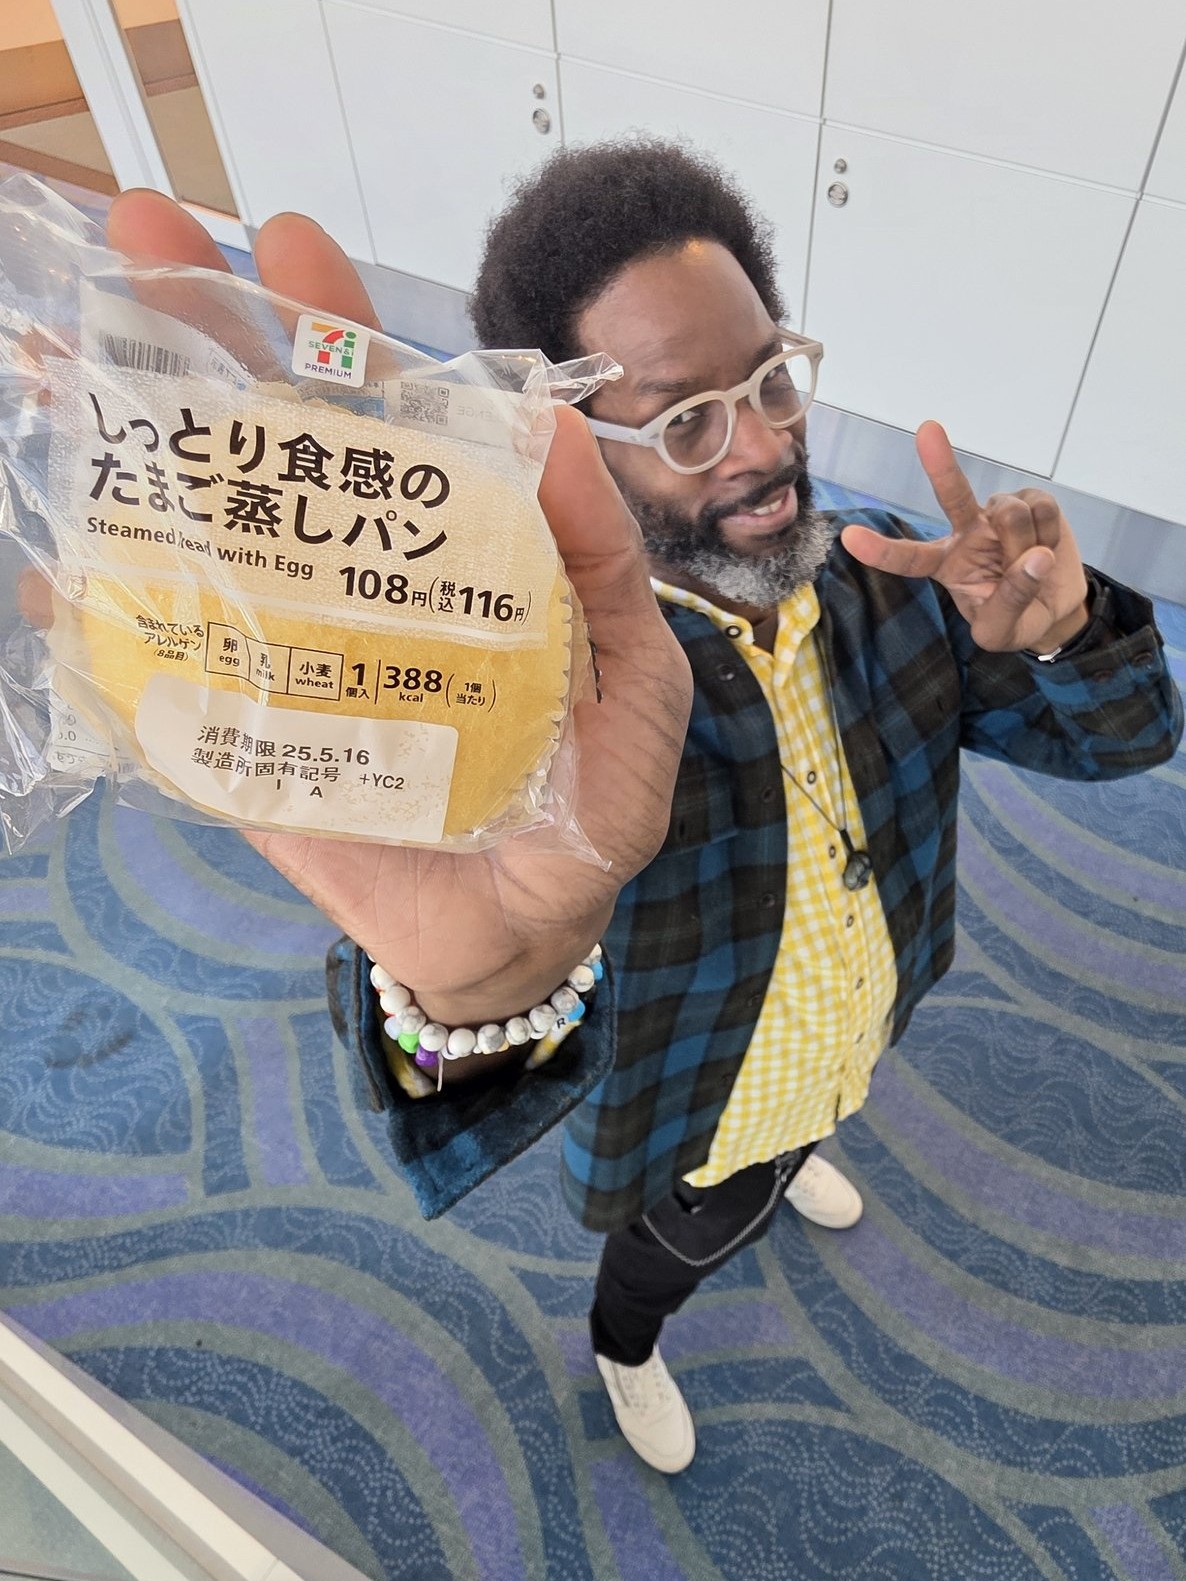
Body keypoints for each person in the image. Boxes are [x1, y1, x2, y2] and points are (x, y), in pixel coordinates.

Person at [38, 140, 1185, 1476]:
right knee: (680, 1240)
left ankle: (793, 1140)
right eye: (686, 420)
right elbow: (452, 1062)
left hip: (860, 1020)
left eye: (770, 380)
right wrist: (469, 990)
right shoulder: (542, 698)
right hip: (691, 1096)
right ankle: (625, 1342)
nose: (763, 447)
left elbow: (1127, 744)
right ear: (573, 437)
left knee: (812, 1119)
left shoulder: (891, 588)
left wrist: (1067, 635)